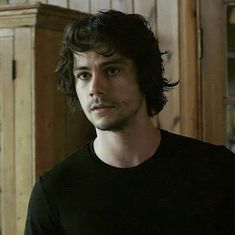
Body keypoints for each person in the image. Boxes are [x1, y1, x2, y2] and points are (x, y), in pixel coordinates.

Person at [24, 10, 235, 234]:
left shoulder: (216, 170)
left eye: (112, 70)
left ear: (144, 76)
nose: (95, 88)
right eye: (84, 75)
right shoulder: (54, 192)